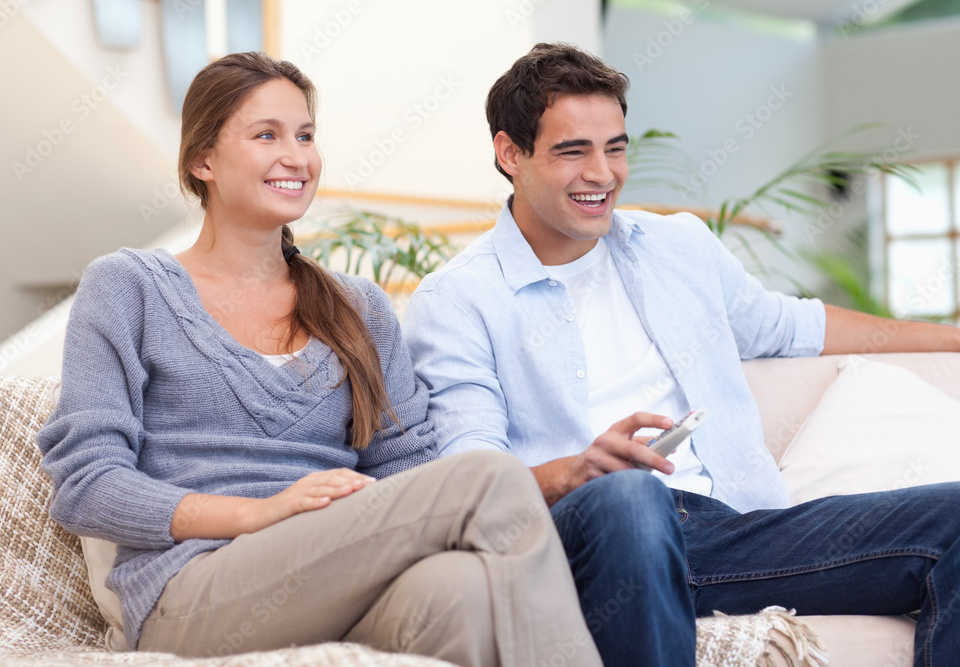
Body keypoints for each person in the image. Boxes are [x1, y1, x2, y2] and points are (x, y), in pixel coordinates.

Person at [36, 51, 601, 667]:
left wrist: (359, 521)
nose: (297, 156)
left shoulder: (357, 307)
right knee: (489, 476)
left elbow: (406, 466)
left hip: (336, 583)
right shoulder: (129, 287)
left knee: (461, 594)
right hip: (193, 594)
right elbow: (88, 486)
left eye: (305, 135)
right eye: (266, 135)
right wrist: (259, 515)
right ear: (203, 161)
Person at [403, 42, 960, 666]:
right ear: (510, 154)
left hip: (730, 536)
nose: (602, 173)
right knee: (630, 496)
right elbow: (470, 480)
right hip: (581, 540)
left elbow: (789, 325)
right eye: (572, 151)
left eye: (615, 148)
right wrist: (580, 471)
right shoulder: (457, 299)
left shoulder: (678, 246)